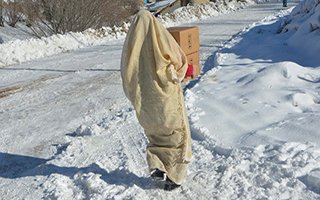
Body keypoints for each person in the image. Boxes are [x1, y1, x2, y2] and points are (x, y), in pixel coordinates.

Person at [120, 9, 192, 190]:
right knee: (175, 135)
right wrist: (184, 71)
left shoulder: (130, 47)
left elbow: (126, 75)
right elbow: (178, 60)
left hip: (145, 100)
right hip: (164, 96)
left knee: (155, 134)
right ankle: (175, 177)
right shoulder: (160, 36)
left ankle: (157, 164)